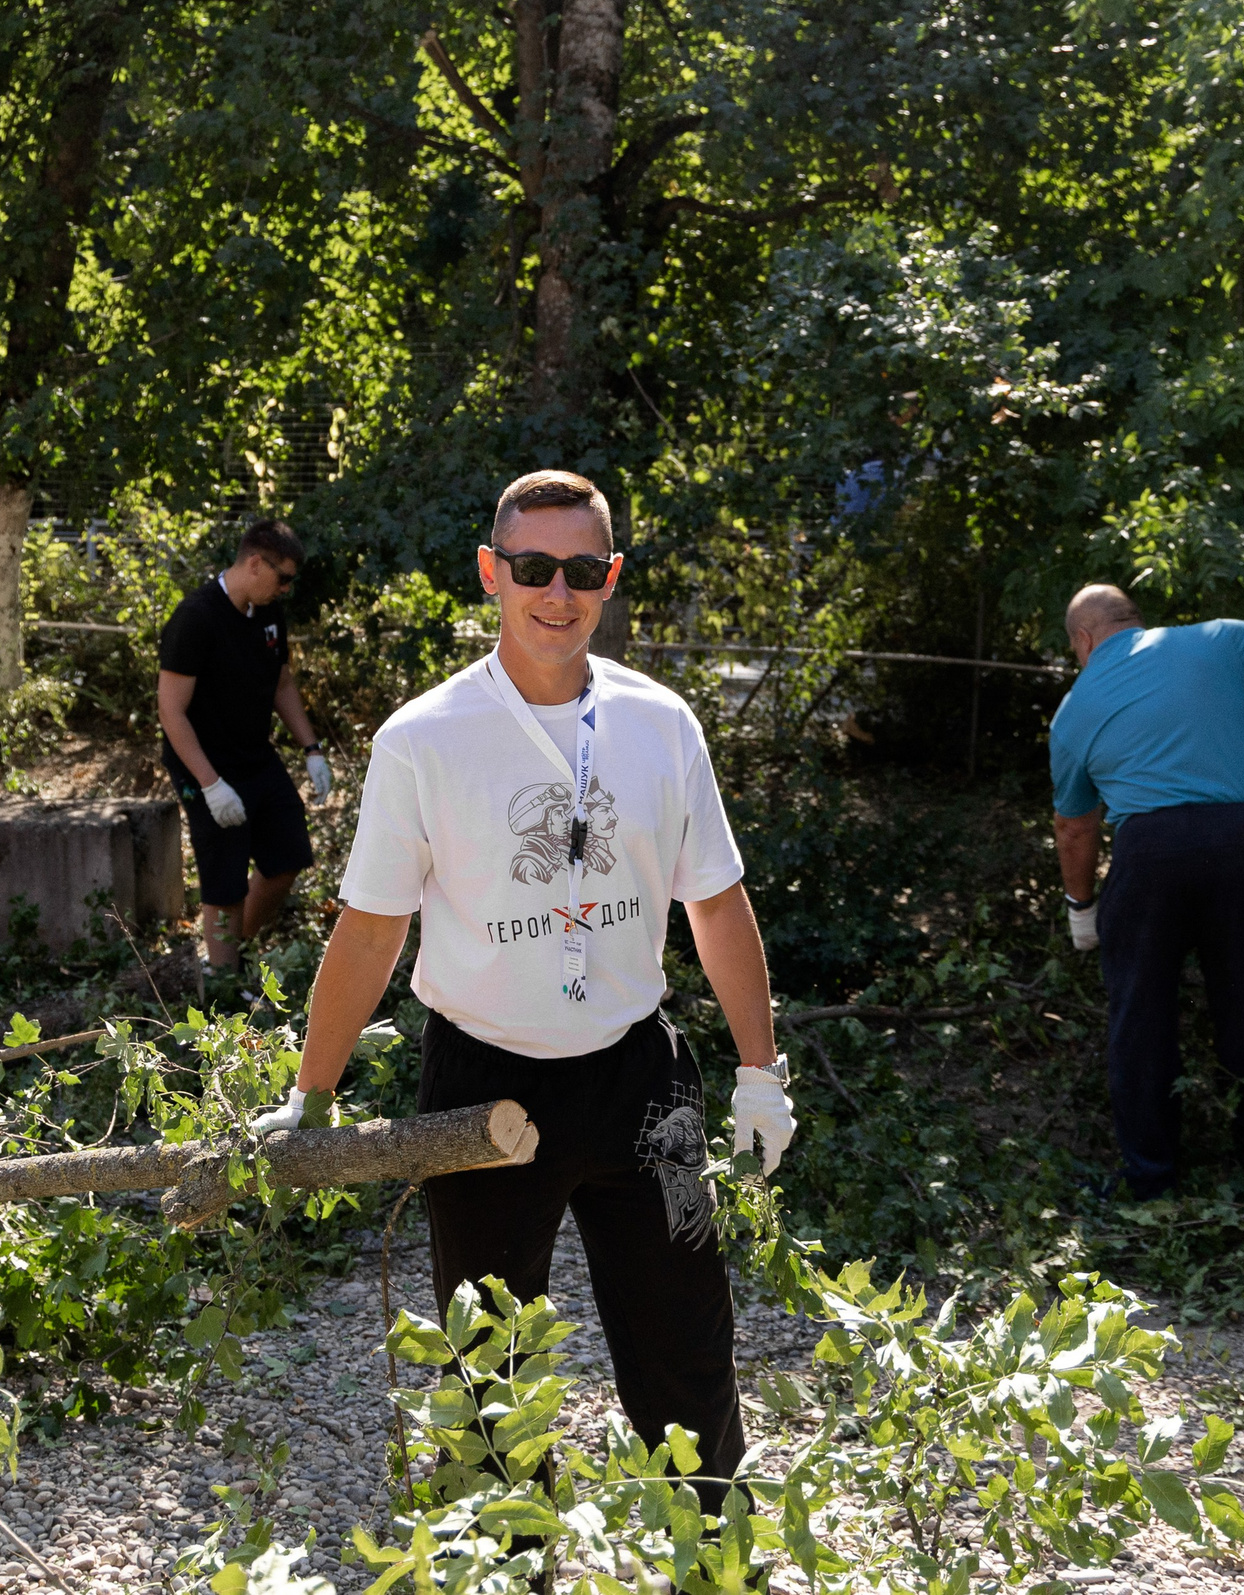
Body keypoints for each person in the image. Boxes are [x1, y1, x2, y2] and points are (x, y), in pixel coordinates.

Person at [251, 469, 796, 1496]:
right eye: (534, 568)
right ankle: (506, 1561)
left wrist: (760, 1073)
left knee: (688, 1341)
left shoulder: (662, 721)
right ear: (490, 574)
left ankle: (712, 1555)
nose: (559, 591)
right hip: (481, 1090)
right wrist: (310, 1096)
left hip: (647, 1081)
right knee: (490, 1368)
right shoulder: (421, 739)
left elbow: (716, 904)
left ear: (612, 577)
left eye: (582, 569)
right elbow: (372, 932)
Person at [1050, 583, 1244, 1200]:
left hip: (1150, 854)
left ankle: (1151, 1183)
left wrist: (1082, 912)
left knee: (1141, 1018)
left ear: (1085, 639)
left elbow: (1075, 826)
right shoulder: (1220, 640)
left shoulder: (1074, 709)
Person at [158, 519, 332, 973]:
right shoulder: (195, 619)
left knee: (288, 857)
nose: (287, 589)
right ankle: (222, 986)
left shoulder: (269, 612)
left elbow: (282, 683)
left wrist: (311, 748)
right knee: (225, 881)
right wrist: (211, 785)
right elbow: (171, 712)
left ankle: (238, 951)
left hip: (255, 755)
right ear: (256, 564)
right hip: (204, 763)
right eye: (283, 578)